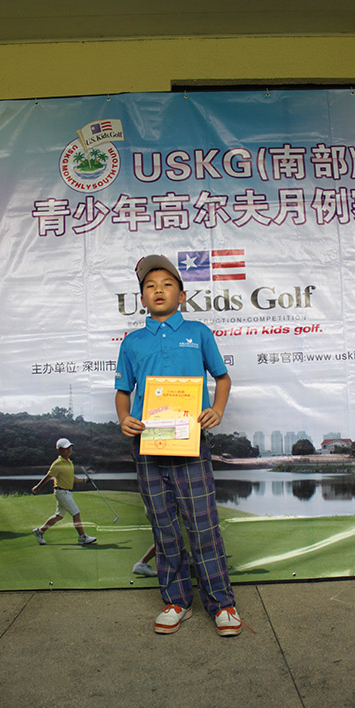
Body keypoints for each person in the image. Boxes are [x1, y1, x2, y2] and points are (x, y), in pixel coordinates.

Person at [115, 254, 243, 636]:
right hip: (148, 447)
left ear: (182, 295)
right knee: (164, 526)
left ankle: (222, 604)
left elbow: (222, 378)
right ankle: (176, 601)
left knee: (203, 526)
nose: (158, 290)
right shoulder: (132, 341)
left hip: (191, 443)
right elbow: (122, 391)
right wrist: (124, 418)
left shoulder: (198, 332)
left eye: (167, 285)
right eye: (150, 286)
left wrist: (216, 410)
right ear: (142, 298)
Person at [31, 438, 96, 546]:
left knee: (59, 516)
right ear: (60, 450)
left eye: (70, 448)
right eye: (66, 448)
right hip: (62, 492)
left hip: (65, 492)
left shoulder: (68, 462)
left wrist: (85, 480)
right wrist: (38, 487)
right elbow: (49, 476)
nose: (69, 450)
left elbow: (72, 478)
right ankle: (82, 537)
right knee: (76, 513)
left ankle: (40, 531)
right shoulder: (58, 463)